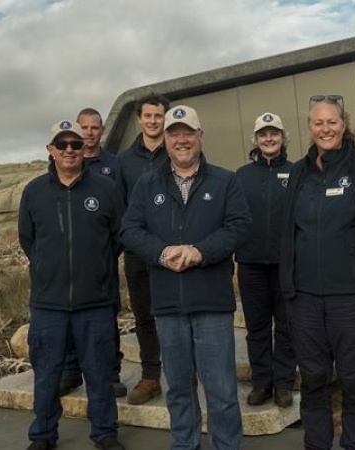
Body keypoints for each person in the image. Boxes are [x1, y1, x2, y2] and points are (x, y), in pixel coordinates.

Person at [121, 105, 250, 450]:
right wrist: (162, 253)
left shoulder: (226, 181)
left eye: (188, 133)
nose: (181, 140)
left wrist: (200, 251)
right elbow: (129, 230)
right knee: (178, 390)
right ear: (164, 139)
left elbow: (239, 227)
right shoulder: (148, 185)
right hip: (167, 306)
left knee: (222, 390)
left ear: (200, 136)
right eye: (174, 134)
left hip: (211, 304)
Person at [279, 95, 355, 450]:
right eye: (318, 123)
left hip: (353, 299)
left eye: (332, 122)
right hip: (305, 301)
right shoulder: (298, 172)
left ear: (343, 125)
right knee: (313, 379)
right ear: (309, 128)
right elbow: (287, 230)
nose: (325, 129)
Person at [18, 120, 126, 450]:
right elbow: (28, 239)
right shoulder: (34, 191)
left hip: (95, 302)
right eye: (61, 144)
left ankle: (105, 432)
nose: (69, 150)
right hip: (48, 304)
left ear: (84, 149)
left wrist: (95, 270)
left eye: (75, 144)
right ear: (50, 149)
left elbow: (117, 237)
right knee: (47, 374)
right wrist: (51, 270)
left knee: (99, 373)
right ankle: (43, 434)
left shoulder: (105, 189)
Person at [59, 108, 127, 399]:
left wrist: (106, 254)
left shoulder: (114, 165)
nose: (88, 133)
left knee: (106, 319)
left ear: (102, 131)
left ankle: (110, 374)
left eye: (94, 128)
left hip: (102, 264)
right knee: (69, 318)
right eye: (83, 128)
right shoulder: (63, 161)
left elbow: (120, 219)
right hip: (68, 266)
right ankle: (72, 371)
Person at [234, 112, 296, 408]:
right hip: (251, 265)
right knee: (257, 329)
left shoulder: (299, 173)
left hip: (287, 266)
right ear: (255, 140)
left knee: (286, 327)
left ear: (283, 137)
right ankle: (262, 383)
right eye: (263, 134)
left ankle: (283, 383)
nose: (269, 139)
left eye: (274, 133)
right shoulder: (241, 176)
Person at [113, 94, 170, 405]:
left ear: (165, 118)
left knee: (176, 314)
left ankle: (181, 375)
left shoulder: (175, 152)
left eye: (158, 116)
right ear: (140, 119)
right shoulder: (123, 161)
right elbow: (121, 210)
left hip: (172, 252)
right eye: (148, 116)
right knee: (144, 317)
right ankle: (150, 378)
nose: (152, 121)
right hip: (137, 254)